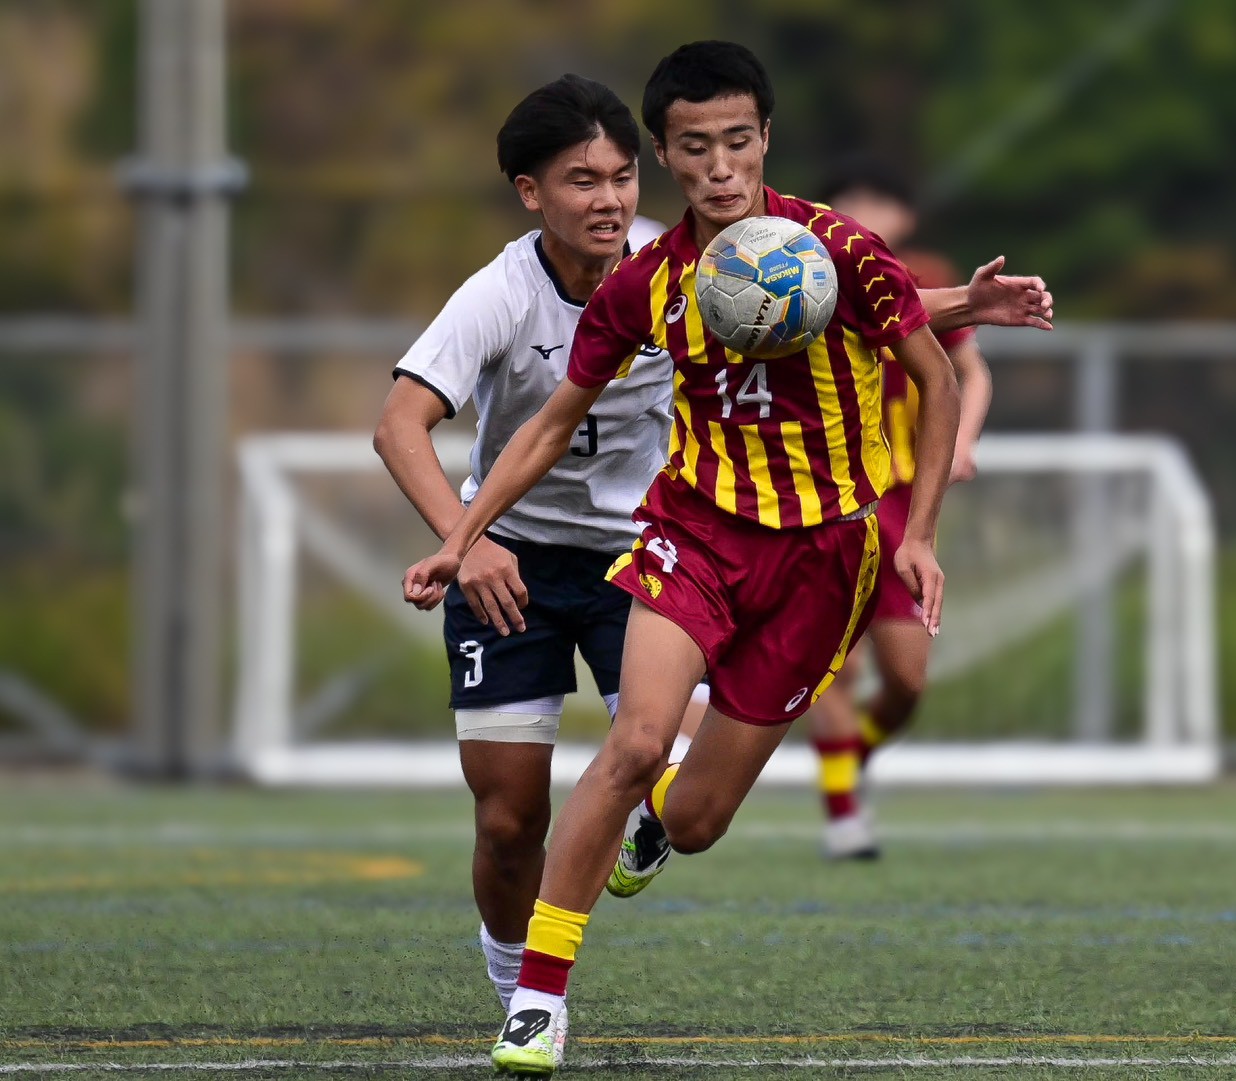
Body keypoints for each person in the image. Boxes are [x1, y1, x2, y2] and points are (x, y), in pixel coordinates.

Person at [401, 41, 1052, 1078]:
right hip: (691, 534)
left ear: (765, 140)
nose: (718, 167)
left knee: (697, 816)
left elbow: (930, 375)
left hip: (824, 559)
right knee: (633, 743)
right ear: (665, 156)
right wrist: (462, 534)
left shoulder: (836, 250)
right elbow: (548, 422)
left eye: (737, 142)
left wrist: (919, 533)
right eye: (694, 147)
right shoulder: (647, 280)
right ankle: (536, 1000)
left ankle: (660, 825)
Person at [372, 74, 702, 1073]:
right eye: (580, 181)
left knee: (669, 766)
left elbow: (818, 304)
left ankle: (646, 827)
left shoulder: (682, 266)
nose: (608, 200)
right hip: (510, 564)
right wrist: (466, 540)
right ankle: (521, 984)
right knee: (511, 816)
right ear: (530, 193)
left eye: (622, 177)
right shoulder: (500, 293)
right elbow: (398, 426)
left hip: (642, 554)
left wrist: (957, 307)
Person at [805, 161, 1013, 860]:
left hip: (901, 507)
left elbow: (970, 371)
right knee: (834, 670)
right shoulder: (802, 279)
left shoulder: (926, 281)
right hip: (826, 500)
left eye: (879, 201)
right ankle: (843, 815)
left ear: (906, 217)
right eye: (849, 198)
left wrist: (963, 441)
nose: (863, 211)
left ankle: (851, 760)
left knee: (906, 679)